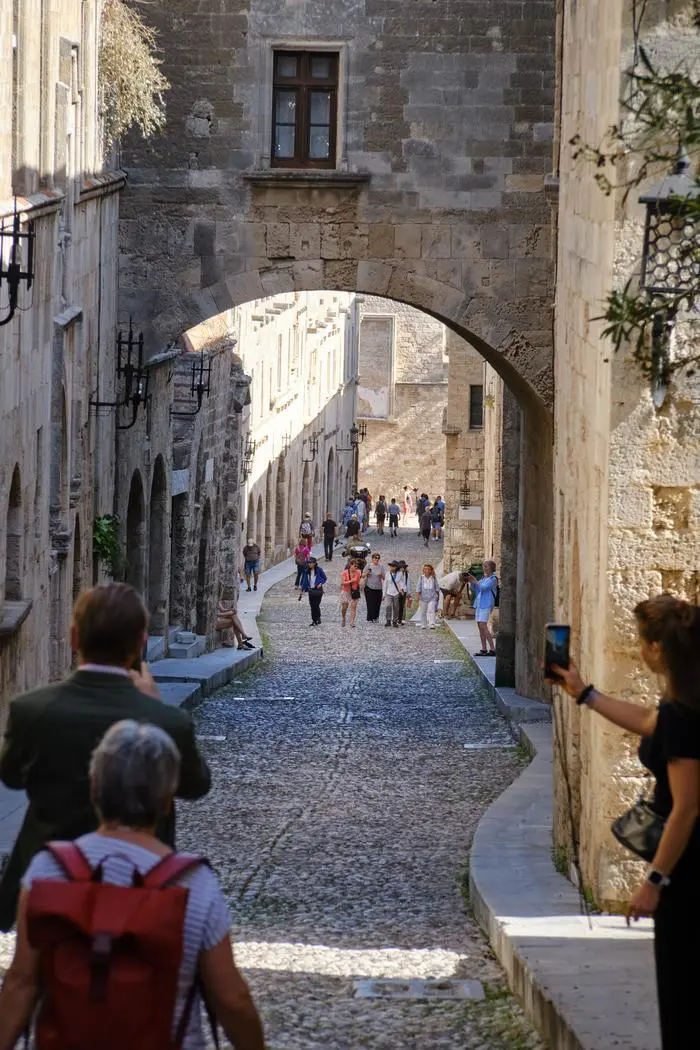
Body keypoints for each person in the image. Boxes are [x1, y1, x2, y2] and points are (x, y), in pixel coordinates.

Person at [0, 721, 265, 1050]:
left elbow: (21, 984)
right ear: (166, 801)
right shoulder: (193, 883)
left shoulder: (48, 870)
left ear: (94, 789)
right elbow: (231, 997)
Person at [0, 583, 211, 933]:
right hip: (137, 890)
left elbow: (11, 776)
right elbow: (196, 785)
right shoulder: (167, 721)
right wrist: (155, 710)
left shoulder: (30, 710)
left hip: (48, 886)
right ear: (141, 644)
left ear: (74, 638)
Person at [549, 595, 700, 1050]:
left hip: (686, 875)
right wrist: (585, 694)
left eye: (640, 640)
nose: (637, 648)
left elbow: (687, 807)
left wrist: (654, 880)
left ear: (657, 648)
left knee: (682, 994)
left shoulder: (683, 715)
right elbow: (649, 721)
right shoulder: (680, 705)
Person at [467, 560, 498, 655]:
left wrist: (476, 581)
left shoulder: (493, 579)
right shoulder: (484, 578)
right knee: (480, 626)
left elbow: (484, 588)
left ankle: (492, 649)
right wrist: (471, 582)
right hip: (479, 604)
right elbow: (476, 588)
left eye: (486, 566)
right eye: (484, 566)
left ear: (492, 568)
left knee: (483, 625)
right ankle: (484, 648)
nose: (484, 568)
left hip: (486, 604)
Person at [302, 556, 327, 626]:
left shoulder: (319, 570)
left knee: (316, 605)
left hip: (318, 590)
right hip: (311, 590)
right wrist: (302, 588)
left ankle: (318, 617)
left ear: (314, 563)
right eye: (308, 563)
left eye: (310, 563)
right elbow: (304, 580)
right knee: (312, 606)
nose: (309, 564)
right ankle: (314, 620)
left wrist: (320, 583)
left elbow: (324, 578)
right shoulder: (307, 570)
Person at [363, 552, 386, 622]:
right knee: (370, 603)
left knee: (377, 603)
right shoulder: (368, 565)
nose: (377, 559)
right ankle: (370, 618)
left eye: (378, 558)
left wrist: (381, 575)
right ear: (372, 558)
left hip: (378, 587)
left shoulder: (381, 566)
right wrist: (367, 573)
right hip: (369, 587)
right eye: (375, 558)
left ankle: (376, 617)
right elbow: (362, 575)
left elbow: (384, 577)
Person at [416, 564, 440, 628]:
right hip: (423, 597)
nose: (427, 570)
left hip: (432, 597)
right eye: (425, 569)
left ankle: (432, 623)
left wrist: (438, 596)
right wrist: (417, 596)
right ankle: (423, 624)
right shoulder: (421, 578)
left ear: (430, 570)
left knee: (431, 610)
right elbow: (418, 587)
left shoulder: (433, 578)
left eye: (428, 569)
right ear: (423, 570)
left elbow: (437, 587)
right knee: (423, 611)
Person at [340, 559, 362, 628]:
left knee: (353, 607)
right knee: (344, 607)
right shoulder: (344, 573)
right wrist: (350, 581)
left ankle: (352, 622)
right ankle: (343, 618)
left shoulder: (358, 572)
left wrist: (361, 584)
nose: (356, 567)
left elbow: (360, 580)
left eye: (357, 566)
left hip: (354, 592)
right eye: (355, 566)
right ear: (350, 565)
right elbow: (342, 582)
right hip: (345, 591)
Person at [383, 560, 405, 628]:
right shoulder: (387, 573)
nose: (392, 567)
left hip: (396, 593)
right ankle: (388, 620)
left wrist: (402, 589)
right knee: (388, 606)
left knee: (396, 607)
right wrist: (383, 594)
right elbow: (385, 584)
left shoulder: (400, 574)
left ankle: (395, 621)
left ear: (396, 567)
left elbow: (402, 582)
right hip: (388, 592)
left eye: (393, 566)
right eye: (391, 566)